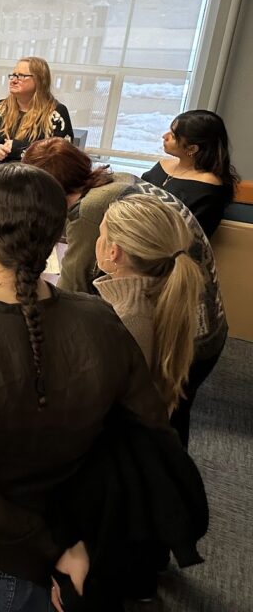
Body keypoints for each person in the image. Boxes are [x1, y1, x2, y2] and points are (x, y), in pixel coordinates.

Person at [0, 163, 172, 612]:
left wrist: (52, 546)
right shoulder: (99, 318)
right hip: (53, 554)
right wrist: (66, 542)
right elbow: (147, 433)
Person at [23, 137, 227, 446]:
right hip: (198, 318)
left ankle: (162, 478)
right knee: (167, 420)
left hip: (183, 328)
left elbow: (73, 289)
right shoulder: (115, 181)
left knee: (154, 424)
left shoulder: (93, 208)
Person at [95, 195, 203, 414]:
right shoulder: (168, 293)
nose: (97, 241)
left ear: (113, 252)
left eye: (101, 234)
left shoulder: (124, 321)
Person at [141, 109, 239, 238]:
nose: (165, 136)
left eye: (174, 136)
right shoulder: (162, 166)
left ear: (192, 148)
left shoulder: (207, 189)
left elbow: (189, 238)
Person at [0, 56, 73, 167]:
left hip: (32, 181)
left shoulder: (56, 113)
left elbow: (61, 157)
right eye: (13, 75)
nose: (13, 80)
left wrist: (17, 148)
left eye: (21, 76)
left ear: (39, 80)